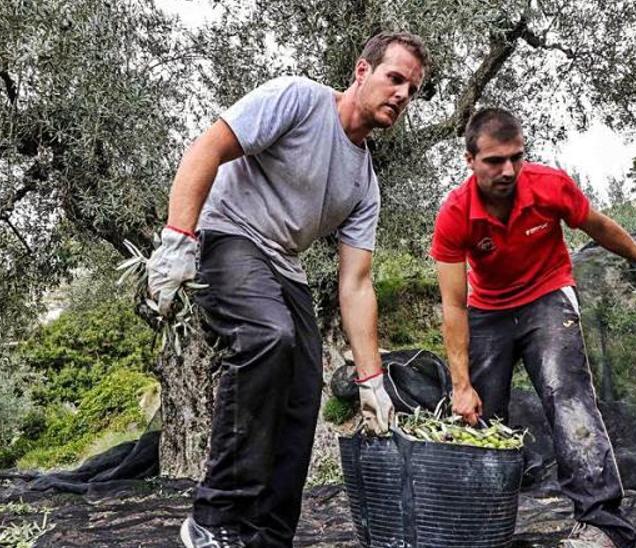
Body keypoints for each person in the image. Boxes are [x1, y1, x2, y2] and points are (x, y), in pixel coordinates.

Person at [145, 31, 428, 548]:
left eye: (411, 89)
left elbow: (357, 283)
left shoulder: (365, 182)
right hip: (229, 233)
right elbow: (208, 146)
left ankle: (267, 537)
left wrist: (372, 380)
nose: (402, 95)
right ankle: (214, 517)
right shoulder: (297, 99)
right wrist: (177, 239)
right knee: (267, 338)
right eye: (395, 78)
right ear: (362, 72)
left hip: (282, 262)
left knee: (302, 392)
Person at [430, 108, 636, 548]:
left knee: (566, 394)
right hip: (488, 309)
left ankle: (601, 522)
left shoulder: (549, 185)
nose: (508, 170)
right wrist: (460, 384)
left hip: (547, 295)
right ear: (469, 161)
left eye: (516, 157)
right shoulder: (454, 214)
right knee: (480, 415)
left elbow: (599, 226)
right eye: (494, 161)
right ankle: (480, 525)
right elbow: (453, 304)